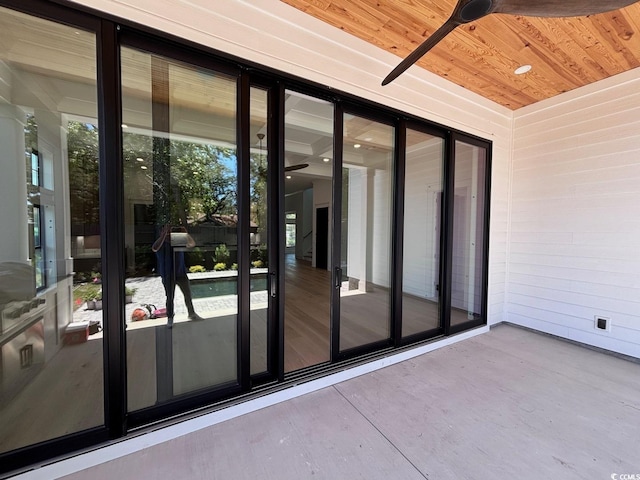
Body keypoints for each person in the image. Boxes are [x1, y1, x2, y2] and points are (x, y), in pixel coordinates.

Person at [152, 224, 204, 327]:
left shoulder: (177, 240)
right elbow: (154, 248)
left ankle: (192, 314)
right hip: (168, 275)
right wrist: (163, 236)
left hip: (181, 273)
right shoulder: (160, 243)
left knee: (188, 295)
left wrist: (186, 234)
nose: (169, 232)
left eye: (169, 230)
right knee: (170, 297)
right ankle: (170, 318)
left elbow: (192, 244)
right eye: (166, 230)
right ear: (161, 232)